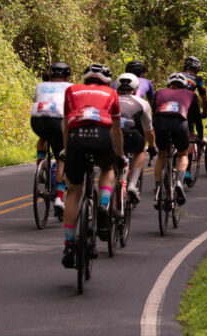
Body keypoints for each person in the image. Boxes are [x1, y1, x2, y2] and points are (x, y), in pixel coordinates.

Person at [61, 64, 125, 268]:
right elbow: (116, 130)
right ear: (106, 81)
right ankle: (104, 205)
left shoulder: (71, 90)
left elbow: (66, 124)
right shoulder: (112, 93)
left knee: (74, 191)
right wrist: (120, 155)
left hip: (75, 136)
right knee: (107, 168)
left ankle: (69, 244)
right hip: (102, 136)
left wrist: (66, 150)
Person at [152, 73, 200, 208]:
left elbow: (154, 110)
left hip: (159, 121)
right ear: (185, 86)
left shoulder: (159, 92)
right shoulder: (190, 94)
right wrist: (200, 136)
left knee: (161, 155)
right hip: (179, 123)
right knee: (183, 154)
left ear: (169, 84)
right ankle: (179, 181)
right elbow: (196, 117)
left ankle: (157, 191)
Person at [31, 61, 72, 215]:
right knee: (62, 156)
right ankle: (59, 198)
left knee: (43, 138)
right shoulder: (70, 87)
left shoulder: (40, 85)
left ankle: (41, 165)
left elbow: (37, 100)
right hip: (58, 120)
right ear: (67, 76)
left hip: (37, 119)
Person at [115, 73, 157, 203]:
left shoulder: (110, 99)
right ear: (135, 88)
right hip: (130, 134)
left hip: (110, 135)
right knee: (141, 151)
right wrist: (152, 146)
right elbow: (148, 130)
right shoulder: (142, 102)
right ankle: (132, 183)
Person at [180, 56, 207, 183]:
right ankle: (186, 171)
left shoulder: (176, 75)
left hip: (171, 104)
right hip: (188, 105)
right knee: (190, 136)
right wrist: (205, 112)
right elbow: (205, 98)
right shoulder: (197, 79)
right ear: (196, 69)